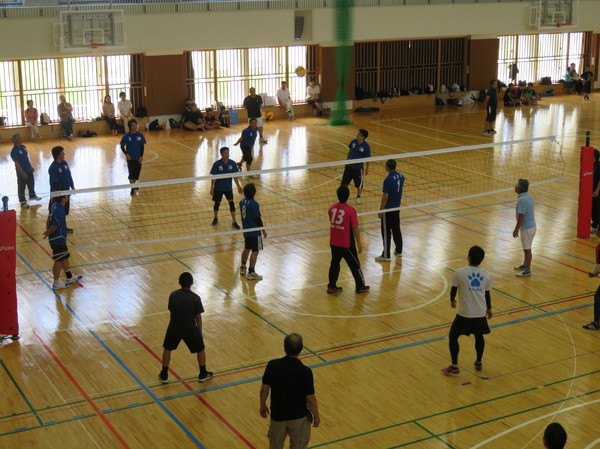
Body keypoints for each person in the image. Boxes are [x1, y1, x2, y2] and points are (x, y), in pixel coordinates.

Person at [259, 333, 320, 449]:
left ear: (284, 347)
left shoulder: (272, 366)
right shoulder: (306, 372)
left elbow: (264, 389)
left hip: (278, 417)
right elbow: (310, 399)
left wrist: (262, 404)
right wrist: (316, 415)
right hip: (299, 419)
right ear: (301, 349)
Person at [441, 245, 492, 375]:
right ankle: (478, 362)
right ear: (481, 260)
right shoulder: (486, 275)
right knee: (479, 336)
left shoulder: (460, 273)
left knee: (453, 336)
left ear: (468, 257)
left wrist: (452, 300)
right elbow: (487, 294)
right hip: (480, 313)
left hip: (464, 314)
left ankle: (454, 366)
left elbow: (454, 288)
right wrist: (489, 308)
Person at [158, 272, 213, 384]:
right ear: (192, 283)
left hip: (174, 326)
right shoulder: (195, 298)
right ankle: (203, 373)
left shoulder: (173, 295)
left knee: (167, 348)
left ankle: (164, 374)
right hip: (190, 328)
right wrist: (200, 332)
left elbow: (171, 309)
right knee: (200, 349)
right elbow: (198, 317)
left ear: (179, 282)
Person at [327, 185, 369, 294]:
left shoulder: (331, 208)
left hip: (334, 241)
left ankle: (331, 286)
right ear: (348, 196)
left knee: (334, 264)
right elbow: (355, 228)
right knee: (355, 265)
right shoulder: (350, 210)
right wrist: (359, 243)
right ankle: (360, 286)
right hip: (346, 243)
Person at [42, 195, 83, 290]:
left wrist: (47, 230)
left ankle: (69, 277)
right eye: (66, 195)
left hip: (59, 238)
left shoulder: (55, 205)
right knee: (58, 260)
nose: (68, 197)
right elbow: (55, 226)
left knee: (64, 257)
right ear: (62, 198)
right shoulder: (59, 210)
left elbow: (49, 218)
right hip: (58, 239)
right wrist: (47, 232)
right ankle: (56, 283)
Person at [375, 159, 404, 261]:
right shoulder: (401, 176)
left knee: (386, 232)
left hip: (388, 210)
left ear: (387, 167)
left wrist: (381, 211)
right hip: (397, 208)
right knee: (396, 229)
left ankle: (386, 255)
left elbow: (385, 197)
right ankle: (399, 251)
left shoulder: (387, 180)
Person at [210, 147, 243, 229]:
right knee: (217, 204)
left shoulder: (232, 163)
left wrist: (239, 186)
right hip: (218, 188)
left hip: (228, 188)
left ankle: (234, 222)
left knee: (231, 204)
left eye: (228, 153)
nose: (227, 154)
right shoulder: (217, 164)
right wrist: (212, 188)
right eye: (225, 153)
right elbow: (213, 178)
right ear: (221, 154)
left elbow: (235, 177)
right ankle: (215, 218)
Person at [240, 183, 267, 281]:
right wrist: (263, 230)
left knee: (247, 248)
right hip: (255, 232)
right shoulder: (254, 204)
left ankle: (243, 267)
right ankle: (251, 272)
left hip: (246, 230)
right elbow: (258, 219)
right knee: (255, 251)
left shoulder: (242, 201)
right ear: (254, 193)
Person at [10, 133, 41, 209]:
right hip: (22, 171)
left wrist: (31, 166)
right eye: (20, 138)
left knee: (31, 183)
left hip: (28, 169)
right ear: (17, 140)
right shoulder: (14, 151)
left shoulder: (23, 147)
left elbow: (26, 158)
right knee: (22, 187)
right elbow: (16, 163)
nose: (22, 138)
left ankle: (32, 195)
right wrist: (22, 172)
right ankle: (22, 202)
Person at [48, 145, 75, 232]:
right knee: (54, 212)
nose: (64, 154)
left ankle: (63, 227)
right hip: (58, 195)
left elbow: (69, 175)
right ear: (58, 155)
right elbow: (54, 183)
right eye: (62, 152)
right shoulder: (53, 167)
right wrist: (59, 194)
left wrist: (72, 186)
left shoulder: (64, 163)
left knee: (64, 212)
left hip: (66, 193)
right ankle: (51, 228)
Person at [341, 129, 371, 204]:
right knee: (344, 184)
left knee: (359, 185)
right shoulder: (353, 141)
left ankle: (358, 197)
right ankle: (342, 198)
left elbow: (368, 158)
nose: (357, 135)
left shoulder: (366, 146)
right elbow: (350, 151)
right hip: (349, 166)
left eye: (359, 134)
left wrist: (367, 168)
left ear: (363, 137)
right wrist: (347, 161)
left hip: (358, 168)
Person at [513, 178, 536, 277]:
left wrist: (516, 229)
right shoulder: (528, 196)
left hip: (527, 228)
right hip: (531, 226)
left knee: (527, 249)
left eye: (516, 185)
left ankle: (527, 270)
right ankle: (525, 264)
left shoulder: (522, 200)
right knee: (527, 248)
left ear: (519, 188)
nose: (514, 186)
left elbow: (521, 216)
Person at [120, 119, 146, 196]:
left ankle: (134, 186)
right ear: (130, 127)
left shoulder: (140, 135)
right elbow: (122, 146)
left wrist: (141, 156)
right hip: (130, 159)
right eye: (133, 125)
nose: (135, 126)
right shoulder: (126, 136)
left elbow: (142, 146)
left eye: (135, 125)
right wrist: (126, 154)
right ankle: (132, 189)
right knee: (131, 174)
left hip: (138, 158)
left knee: (136, 175)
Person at [592, 149, 600, 231]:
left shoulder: (598, 166)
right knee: (593, 208)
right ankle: (595, 224)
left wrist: (597, 191)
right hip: (593, 190)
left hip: (597, 190)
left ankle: (596, 225)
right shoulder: (591, 165)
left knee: (597, 208)